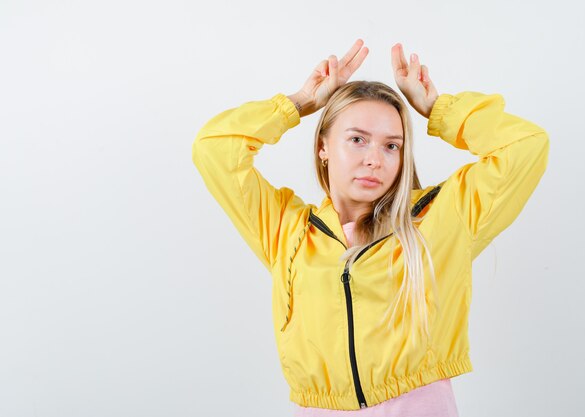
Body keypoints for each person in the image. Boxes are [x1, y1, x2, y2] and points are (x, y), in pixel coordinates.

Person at [191, 39, 549, 416]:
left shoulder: (440, 219)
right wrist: (298, 103)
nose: (374, 160)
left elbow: (525, 146)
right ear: (323, 147)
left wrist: (437, 109)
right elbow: (214, 149)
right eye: (357, 140)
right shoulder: (288, 230)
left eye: (391, 146)